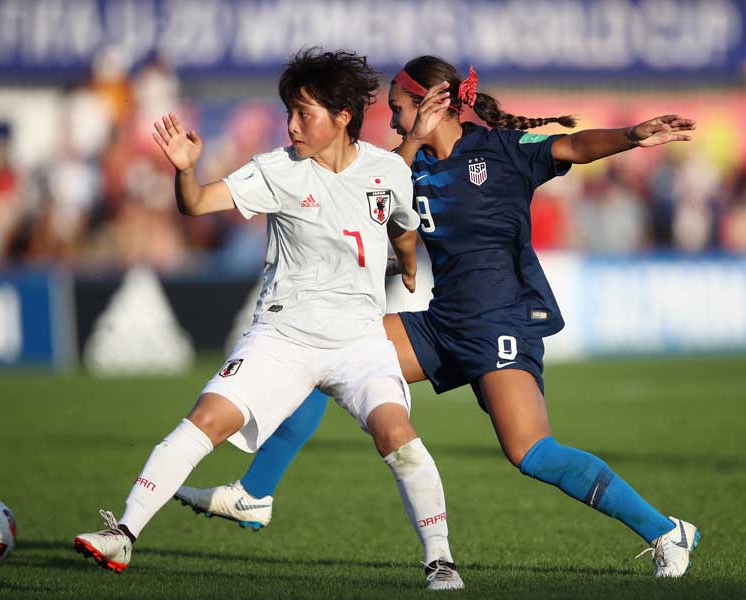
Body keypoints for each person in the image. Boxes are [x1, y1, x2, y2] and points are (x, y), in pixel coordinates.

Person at [177, 55, 700, 578]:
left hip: (501, 324)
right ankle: (254, 493)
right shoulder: (405, 164)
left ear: (430, 104)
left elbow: (575, 145)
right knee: (327, 354)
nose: (394, 120)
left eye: (399, 109)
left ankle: (666, 531)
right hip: (442, 322)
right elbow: (366, 200)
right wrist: (401, 254)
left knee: (532, 453)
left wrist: (632, 135)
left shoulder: (501, 150)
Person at [73, 50, 465, 591]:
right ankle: (124, 532)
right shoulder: (278, 170)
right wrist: (186, 172)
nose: (291, 125)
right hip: (283, 339)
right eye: (289, 112)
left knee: (398, 437)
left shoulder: (388, 170)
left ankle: (440, 560)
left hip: (358, 342)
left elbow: (400, 224)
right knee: (205, 420)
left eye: (304, 113)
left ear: (343, 116)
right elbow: (198, 205)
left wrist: (409, 261)